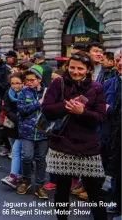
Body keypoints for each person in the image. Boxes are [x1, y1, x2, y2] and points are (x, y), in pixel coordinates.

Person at [42, 51, 107, 220]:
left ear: (88, 70)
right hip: (61, 145)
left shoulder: (97, 88)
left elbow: (100, 118)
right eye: (72, 67)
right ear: (67, 67)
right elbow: (47, 110)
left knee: (95, 193)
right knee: (62, 192)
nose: (75, 71)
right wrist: (66, 106)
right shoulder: (58, 83)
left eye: (80, 68)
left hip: (88, 148)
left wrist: (82, 112)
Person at [16, 65, 48, 199]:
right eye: (27, 80)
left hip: (43, 131)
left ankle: (40, 186)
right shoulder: (23, 92)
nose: (28, 82)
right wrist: (39, 103)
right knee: (27, 157)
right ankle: (26, 180)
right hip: (27, 131)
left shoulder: (48, 92)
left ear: (39, 79)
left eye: (32, 80)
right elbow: (21, 109)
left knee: (41, 159)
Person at [103, 50, 121, 216]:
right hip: (113, 133)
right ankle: (117, 202)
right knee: (116, 170)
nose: (120, 62)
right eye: (118, 59)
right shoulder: (109, 82)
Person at [1, 73, 24, 189]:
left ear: (22, 83)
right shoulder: (8, 93)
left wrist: (20, 119)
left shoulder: (26, 93)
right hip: (12, 125)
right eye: (13, 83)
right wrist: (15, 118)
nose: (15, 86)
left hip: (24, 126)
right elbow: (6, 108)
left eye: (18, 83)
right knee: (14, 149)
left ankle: (15, 175)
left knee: (16, 151)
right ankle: (18, 173)